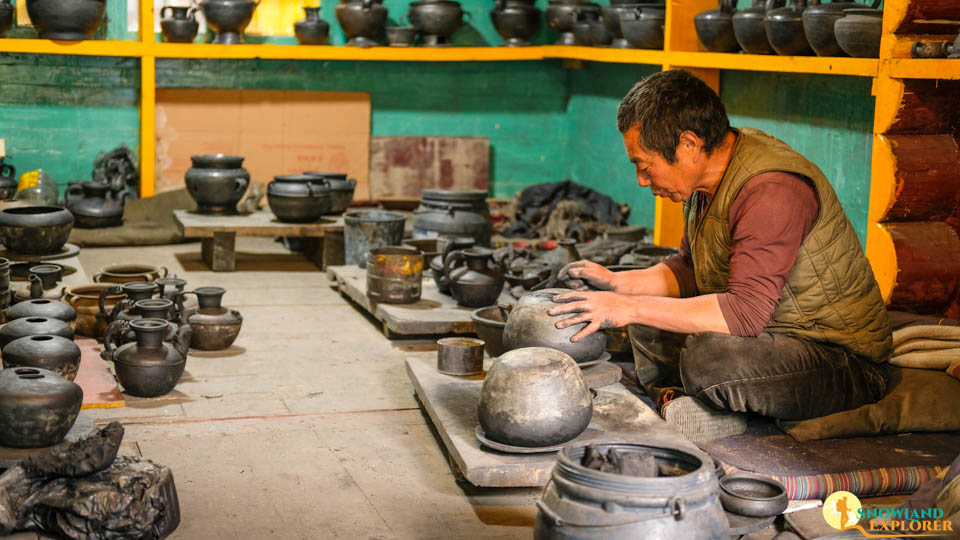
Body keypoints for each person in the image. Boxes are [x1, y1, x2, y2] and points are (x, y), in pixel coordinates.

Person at [548, 70, 891, 442]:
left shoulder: (771, 189)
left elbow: (743, 315)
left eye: (644, 165)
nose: (642, 181)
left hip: (838, 361)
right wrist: (617, 283)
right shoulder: (705, 180)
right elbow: (689, 270)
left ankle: (723, 413)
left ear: (689, 145)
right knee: (649, 314)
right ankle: (683, 403)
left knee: (707, 355)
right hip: (769, 334)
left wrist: (627, 307)